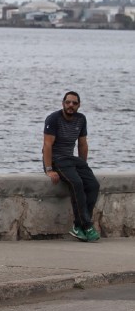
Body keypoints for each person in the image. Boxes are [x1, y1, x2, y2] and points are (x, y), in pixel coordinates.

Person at [43, 91, 101, 242]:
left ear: (78, 105)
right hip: (56, 159)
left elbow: (82, 144)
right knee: (77, 183)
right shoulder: (53, 119)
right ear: (63, 103)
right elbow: (47, 145)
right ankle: (87, 225)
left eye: (74, 103)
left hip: (71, 159)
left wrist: (83, 165)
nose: (71, 105)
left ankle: (78, 226)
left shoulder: (81, 119)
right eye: (68, 102)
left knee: (93, 184)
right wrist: (49, 169)